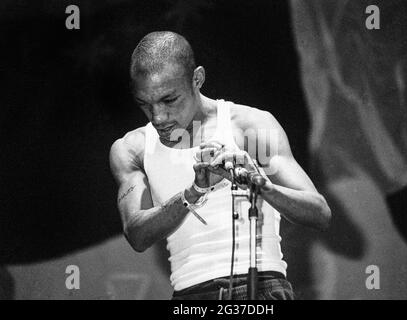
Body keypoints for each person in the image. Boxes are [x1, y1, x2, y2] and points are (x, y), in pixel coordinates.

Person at [109, 31, 331, 300]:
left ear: (197, 78)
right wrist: (193, 193)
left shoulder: (249, 126)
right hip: (191, 295)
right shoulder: (133, 147)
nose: (158, 116)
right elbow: (137, 234)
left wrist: (257, 183)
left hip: (259, 286)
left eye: (169, 100)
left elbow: (318, 213)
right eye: (145, 104)